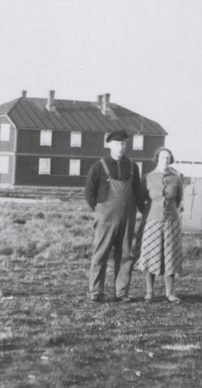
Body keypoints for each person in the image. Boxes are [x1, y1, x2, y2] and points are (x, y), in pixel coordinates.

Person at [84, 129, 150, 302]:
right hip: (105, 217)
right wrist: (99, 210)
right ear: (109, 145)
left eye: (123, 144)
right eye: (117, 144)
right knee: (101, 254)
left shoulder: (132, 166)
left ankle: (122, 292)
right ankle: (96, 291)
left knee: (125, 254)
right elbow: (89, 192)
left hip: (127, 216)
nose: (120, 147)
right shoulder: (99, 166)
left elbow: (136, 191)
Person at [137, 147, 184, 302]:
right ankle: (150, 292)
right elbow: (140, 200)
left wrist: (170, 213)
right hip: (152, 222)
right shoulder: (148, 178)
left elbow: (178, 201)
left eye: (168, 158)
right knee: (151, 254)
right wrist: (149, 213)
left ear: (171, 160)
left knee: (170, 255)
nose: (165, 160)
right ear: (157, 159)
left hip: (171, 223)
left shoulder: (176, 178)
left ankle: (170, 293)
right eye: (163, 157)